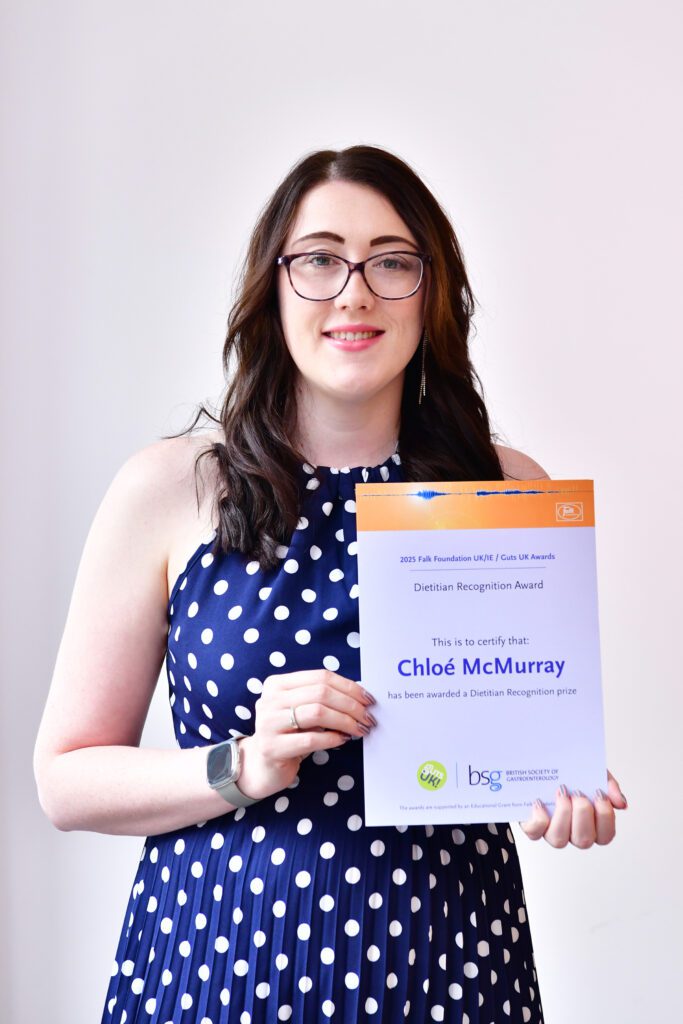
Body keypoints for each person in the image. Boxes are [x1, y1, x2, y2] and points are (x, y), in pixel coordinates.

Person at [34, 144, 626, 1024]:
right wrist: (241, 766)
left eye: (392, 262)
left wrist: (564, 792)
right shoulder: (175, 487)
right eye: (318, 259)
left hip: (448, 957)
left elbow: (529, 727)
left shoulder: (500, 484)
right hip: (222, 957)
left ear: (432, 293)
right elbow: (65, 781)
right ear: (272, 287)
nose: (353, 293)